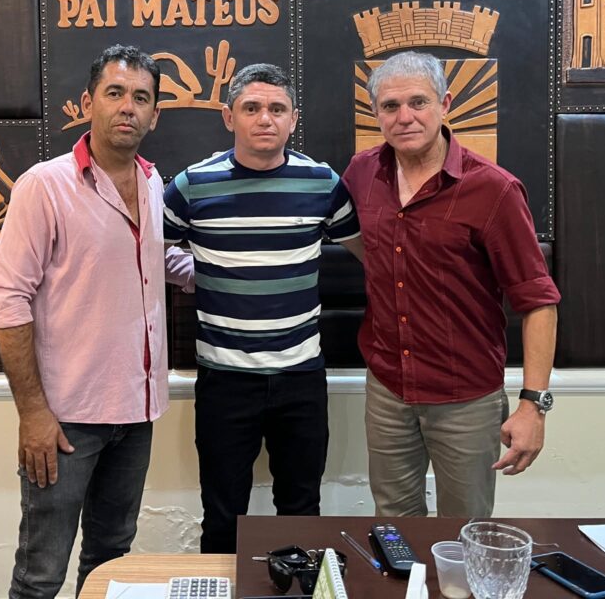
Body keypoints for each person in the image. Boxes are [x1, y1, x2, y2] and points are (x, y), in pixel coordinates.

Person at [0, 44, 193, 599]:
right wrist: (33, 413)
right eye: (115, 93)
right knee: (40, 574)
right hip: (65, 423)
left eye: (141, 98)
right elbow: (6, 298)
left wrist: (227, 271)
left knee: (110, 564)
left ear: (154, 115)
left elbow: (155, 261)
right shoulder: (44, 186)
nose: (128, 107)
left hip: (137, 413)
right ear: (88, 103)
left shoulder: (153, 183)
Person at [342, 50, 560, 518]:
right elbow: (369, 248)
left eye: (418, 102)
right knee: (394, 527)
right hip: (388, 388)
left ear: (445, 104)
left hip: (466, 397)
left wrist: (533, 406)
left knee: (467, 530)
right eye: (390, 106)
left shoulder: (494, 189)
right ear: (375, 113)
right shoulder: (362, 173)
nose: (404, 117)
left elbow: (538, 302)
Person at [163, 63, 362, 554]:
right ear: (228, 117)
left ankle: (297, 588)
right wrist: (199, 272)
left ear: (294, 119)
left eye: (277, 108)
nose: (265, 118)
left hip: (301, 378)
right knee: (223, 517)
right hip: (225, 381)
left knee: (302, 512)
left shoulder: (323, 184)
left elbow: (371, 255)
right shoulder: (191, 186)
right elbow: (147, 257)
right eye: (251, 108)